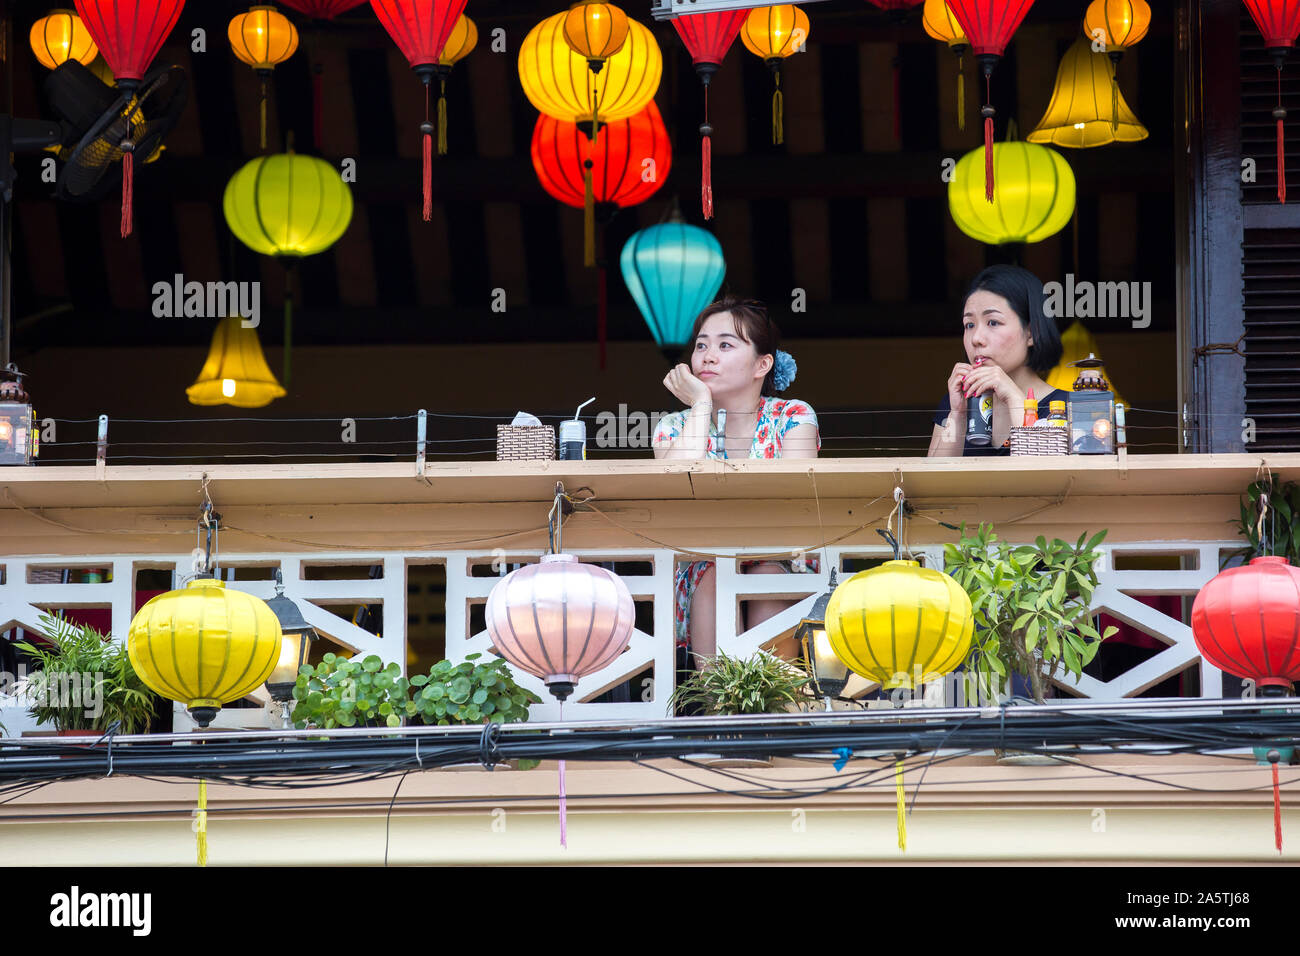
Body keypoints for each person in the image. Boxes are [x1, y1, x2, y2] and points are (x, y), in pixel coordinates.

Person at [652, 296, 820, 674]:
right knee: (711, 572)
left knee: (767, 573)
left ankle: (772, 709)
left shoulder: (793, 415)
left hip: (783, 560)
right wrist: (700, 406)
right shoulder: (674, 427)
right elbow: (674, 488)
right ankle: (720, 712)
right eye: (701, 345)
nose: (708, 356)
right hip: (703, 566)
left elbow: (795, 504)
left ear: (763, 364)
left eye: (725, 344)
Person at [927, 265, 1067, 457]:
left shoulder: (1064, 408)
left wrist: (1015, 399)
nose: (976, 338)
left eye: (993, 322)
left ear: (1032, 332)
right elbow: (933, 484)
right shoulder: (955, 405)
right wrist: (958, 415)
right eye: (969, 325)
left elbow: (1044, 479)